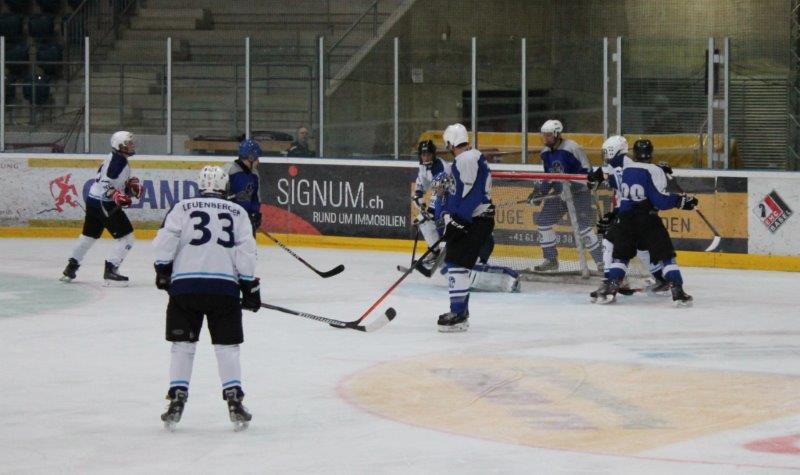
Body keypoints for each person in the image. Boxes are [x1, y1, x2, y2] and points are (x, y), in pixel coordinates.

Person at [153, 165, 261, 431]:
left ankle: (177, 398)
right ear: (225, 186)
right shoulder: (238, 212)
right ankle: (234, 400)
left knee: (182, 345)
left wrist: (163, 270)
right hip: (223, 289)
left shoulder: (181, 207)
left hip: (185, 288)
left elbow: (166, 240)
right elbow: (246, 251)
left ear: (200, 185)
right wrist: (249, 286)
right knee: (227, 347)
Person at [593, 139, 697, 306]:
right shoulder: (655, 170)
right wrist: (681, 201)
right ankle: (677, 291)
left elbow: (618, 183)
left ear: (634, 153)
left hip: (626, 220)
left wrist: (614, 213)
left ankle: (610, 289)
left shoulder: (627, 169)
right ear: (651, 153)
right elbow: (660, 201)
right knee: (666, 257)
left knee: (620, 257)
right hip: (647, 219)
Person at [587, 135, 669, 302]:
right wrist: (596, 176)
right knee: (640, 247)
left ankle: (610, 283)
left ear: (615, 152)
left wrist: (615, 214)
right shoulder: (617, 165)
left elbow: (631, 193)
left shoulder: (628, 167)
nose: (605, 156)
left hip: (634, 213)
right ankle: (662, 279)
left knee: (609, 241)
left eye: (607, 152)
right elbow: (607, 175)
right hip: (632, 213)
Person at [60, 131, 141, 286]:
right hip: (105, 204)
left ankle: (70, 268)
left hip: (93, 201)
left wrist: (126, 188)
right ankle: (110, 271)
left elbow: (110, 182)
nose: (132, 146)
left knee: (88, 236)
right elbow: (106, 184)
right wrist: (116, 195)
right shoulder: (119, 162)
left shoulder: (115, 157)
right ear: (119, 145)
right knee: (127, 238)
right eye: (128, 143)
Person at [436, 123, 495, 332]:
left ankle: (458, 314)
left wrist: (459, 219)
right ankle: (460, 311)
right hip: (471, 219)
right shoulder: (467, 158)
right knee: (455, 262)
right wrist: (449, 216)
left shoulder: (467, 159)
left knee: (457, 263)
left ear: (451, 142)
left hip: (475, 220)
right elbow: (459, 193)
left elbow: (474, 193)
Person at [529, 119, 603, 272]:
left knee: (583, 226)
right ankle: (551, 260)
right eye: (543, 135)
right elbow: (549, 177)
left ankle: (601, 262)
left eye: (548, 135)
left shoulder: (572, 148)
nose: (545, 138)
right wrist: (539, 193)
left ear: (557, 134)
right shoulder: (545, 153)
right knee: (543, 221)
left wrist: (573, 187)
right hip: (560, 195)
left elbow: (587, 172)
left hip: (579, 193)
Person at [431, 172, 519, 293]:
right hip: (456, 235)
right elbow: (441, 224)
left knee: (484, 238)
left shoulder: (459, 196)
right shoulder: (439, 202)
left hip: (470, 231)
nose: (436, 190)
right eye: (435, 188)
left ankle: (482, 264)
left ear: (446, 186)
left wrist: (483, 210)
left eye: (438, 187)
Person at [411, 139, 450, 275]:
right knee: (423, 220)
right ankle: (435, 252)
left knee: (435, 220)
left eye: (428, 154)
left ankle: (451, 252)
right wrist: (419, 200)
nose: (426, 157)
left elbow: (441, 191)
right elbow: (420, 188)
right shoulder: (423, 167)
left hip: (450, 200)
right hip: (441, 199)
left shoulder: (440, 167)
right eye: (423, 155)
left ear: (433, 154)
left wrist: (429, 211)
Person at [227, 138, 262, 236]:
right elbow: (230, 200)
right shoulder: (233, 173)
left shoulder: (254, 173)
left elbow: (255, 196)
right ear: (251, 157)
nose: (258, 161)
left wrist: (255, 213)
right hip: (233, 222)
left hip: (246, 221)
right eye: (257, 158)